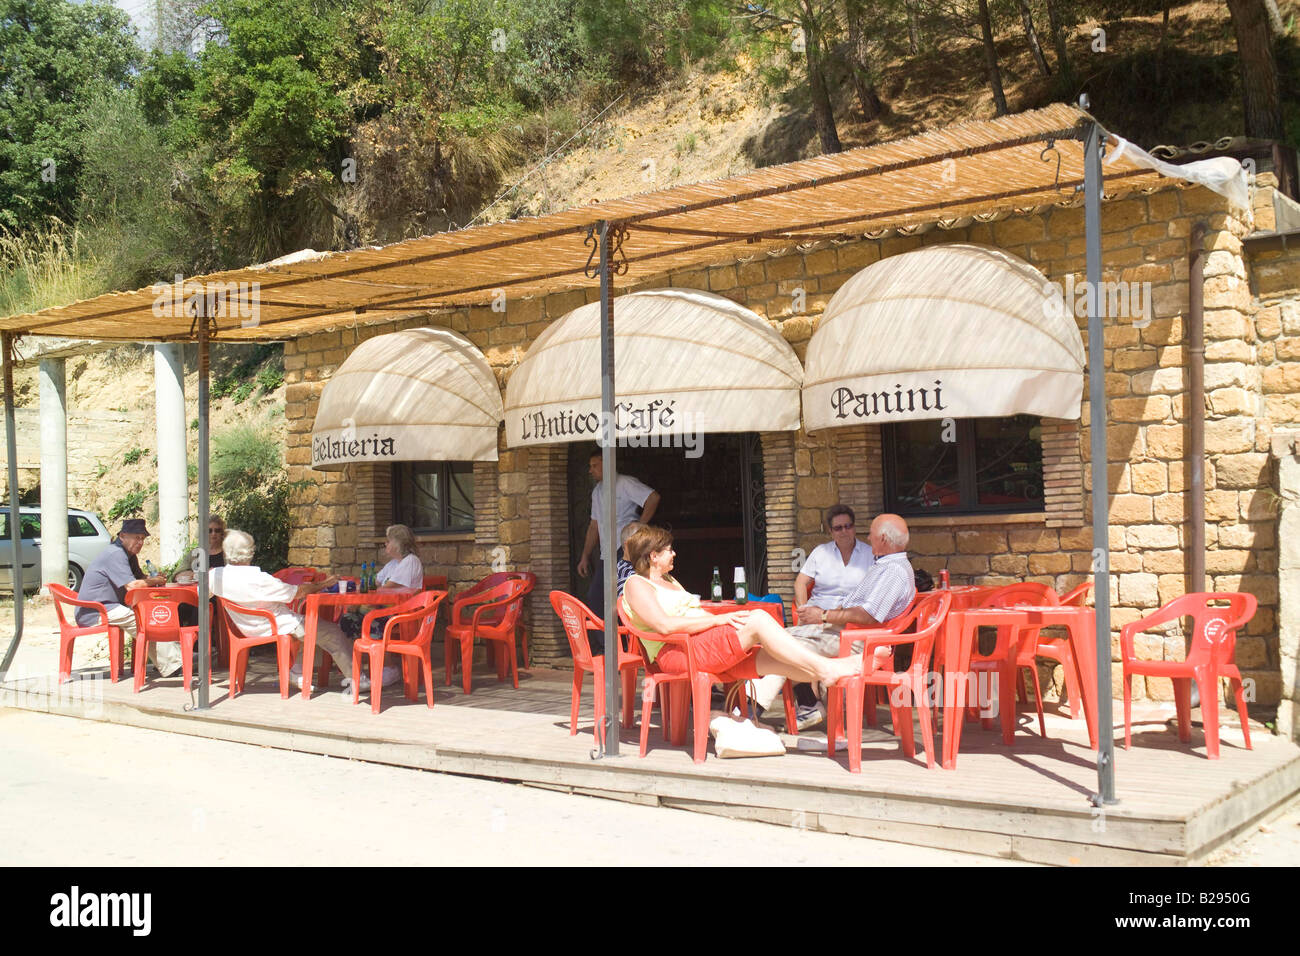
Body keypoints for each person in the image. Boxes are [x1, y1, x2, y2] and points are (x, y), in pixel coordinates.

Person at [621, 526, 862, 698]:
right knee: (757, 619)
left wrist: (725, 622)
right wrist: (720, 620)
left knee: (772, 657)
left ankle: (837, 670)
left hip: (700, 645)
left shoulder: (669, 580)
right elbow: (665, 626)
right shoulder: (637, 584)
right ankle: (828, 668)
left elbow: (694, 614)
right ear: (653, 556)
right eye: (668, 550)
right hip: (677, 652)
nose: (673, 554)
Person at [210, 529, 389, 692]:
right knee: (333, 632)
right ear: (250, 552)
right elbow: (298, 593)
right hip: (276, 624)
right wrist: (324, 584)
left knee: (315, 630)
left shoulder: (214, 576)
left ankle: (296, 671)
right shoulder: (259, 579)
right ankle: (358, 680)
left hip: (244, 627)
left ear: (226, 552)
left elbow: (201, 594)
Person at [75, 518, 177, 675]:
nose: (140, 542)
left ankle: (170, 660)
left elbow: (140, 578)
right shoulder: (115, 554)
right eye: (137, 537)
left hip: (111, 606)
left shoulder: (129, 556)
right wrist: (154, 580)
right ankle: (173, 665)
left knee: (153, 616)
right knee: (142, 622)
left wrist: (152, 578)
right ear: (122, 536)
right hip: (94, 611)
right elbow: (133, 585)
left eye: (142, 539)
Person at [577, 451, 659, 619]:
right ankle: (604, 644)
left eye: (594, 465)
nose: (590, 470)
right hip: (607, 553)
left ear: (606, 463)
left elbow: (653, 498)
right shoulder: (597, 491)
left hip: (626, 548)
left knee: (625, 597)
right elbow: (594, 526)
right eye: (590, 466)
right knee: (597, 597)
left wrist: (640, 526)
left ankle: (626, 641)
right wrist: (585, 555)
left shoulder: (625, 483)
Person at [338, 525, 423, 685]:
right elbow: (373, 584)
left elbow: (386, 588)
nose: (385, 544)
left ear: (398, 543)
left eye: (388, 540)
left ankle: (389, 668)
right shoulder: (392, 564)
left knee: (371, 620)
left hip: (401, 611)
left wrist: (364, 599)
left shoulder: (410, 561)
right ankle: (358, 669)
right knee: (348, 620)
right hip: (382, 608)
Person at [794, 504, 875, 611]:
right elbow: (800, 583)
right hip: (818, 614)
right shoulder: (820, 552)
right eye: (838, 528)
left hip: (852, 616)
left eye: (848, 526)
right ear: (831, 532)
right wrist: (803, 611)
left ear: (854, 528)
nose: (844, 531)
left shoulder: (871, 554)